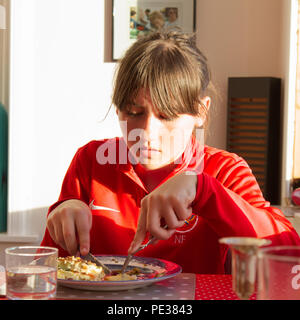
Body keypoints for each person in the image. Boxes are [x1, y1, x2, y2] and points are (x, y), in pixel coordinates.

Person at [40, 31, 300, 274]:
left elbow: (289, 256)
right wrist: (62, 214)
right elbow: (50, 272)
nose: (147, 132)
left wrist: (203, 190)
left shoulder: (225, 170)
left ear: (201, 112)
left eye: (167, 116)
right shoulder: (91, 160)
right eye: (133, 112)